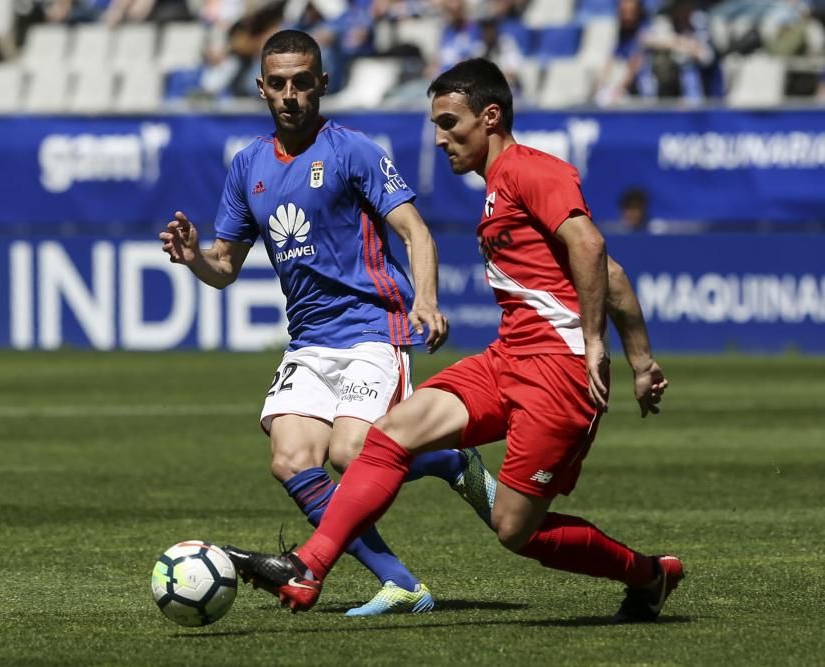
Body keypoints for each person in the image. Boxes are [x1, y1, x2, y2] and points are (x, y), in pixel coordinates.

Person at [223, 58, 683, 624]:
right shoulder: (496, 188)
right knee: (390, 435)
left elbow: (592, 250)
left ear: (490, 117)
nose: (440, 139)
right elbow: (608, 276)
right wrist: (643, 361)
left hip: (559, 373)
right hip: (507, 358)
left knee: (517, 530)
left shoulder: (534, 171)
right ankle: (309, 567)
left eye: (449, 123)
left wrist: (601, 344)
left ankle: (648, 575)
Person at [159, 31, 497, 616]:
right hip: (309, 341)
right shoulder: (247, 167)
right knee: (290, 459)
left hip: (373, 327)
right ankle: (402, 584)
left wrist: (427, 299)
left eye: (302, 81)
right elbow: (225, 266)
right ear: (261, 87)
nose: (290, 94)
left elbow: (415, 230)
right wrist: (194, 258)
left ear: (323, 83)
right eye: (279, 83)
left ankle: (449, 459)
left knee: (352, 453)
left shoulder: (353, 151)